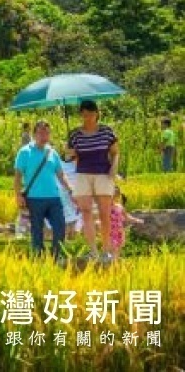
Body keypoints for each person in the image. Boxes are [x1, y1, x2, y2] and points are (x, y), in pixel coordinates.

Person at [66, 99, 120, 262]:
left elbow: (115, 152)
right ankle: (92, 250)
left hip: (103, 173)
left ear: (97, 114)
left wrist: (114, 169)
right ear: (81, 115)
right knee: (86, 212)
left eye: (90, 114)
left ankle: (106, 249)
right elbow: (72, 157)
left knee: (104, 213)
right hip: (83, 174)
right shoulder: (75, 134)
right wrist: (69, 153)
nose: (87, 117)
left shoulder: (106, 131)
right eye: (84, 114)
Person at [13, 121, 74, 260]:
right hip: (34, 199)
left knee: (60, 226)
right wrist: (18, 196)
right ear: (34, 134)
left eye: (47, 133)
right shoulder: (24, 152)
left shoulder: (53, 153)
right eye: (41, 133)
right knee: (37, 231)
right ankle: (39, 258)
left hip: (53, 198)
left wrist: (70, 189)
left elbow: (60, 174)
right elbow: (17, 177)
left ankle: (57, 256)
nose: (44, 136)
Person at [109, 186, 144, 259]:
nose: (114, 196)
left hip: (119, 232)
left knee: (118, 251)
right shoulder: (105, 207)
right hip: (110, 233)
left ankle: (115, 267)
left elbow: (127, 216)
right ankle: (112, 266)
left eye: (116, 194)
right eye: (112, 194)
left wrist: (136, 220)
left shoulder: (120, 207)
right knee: (113, 250)